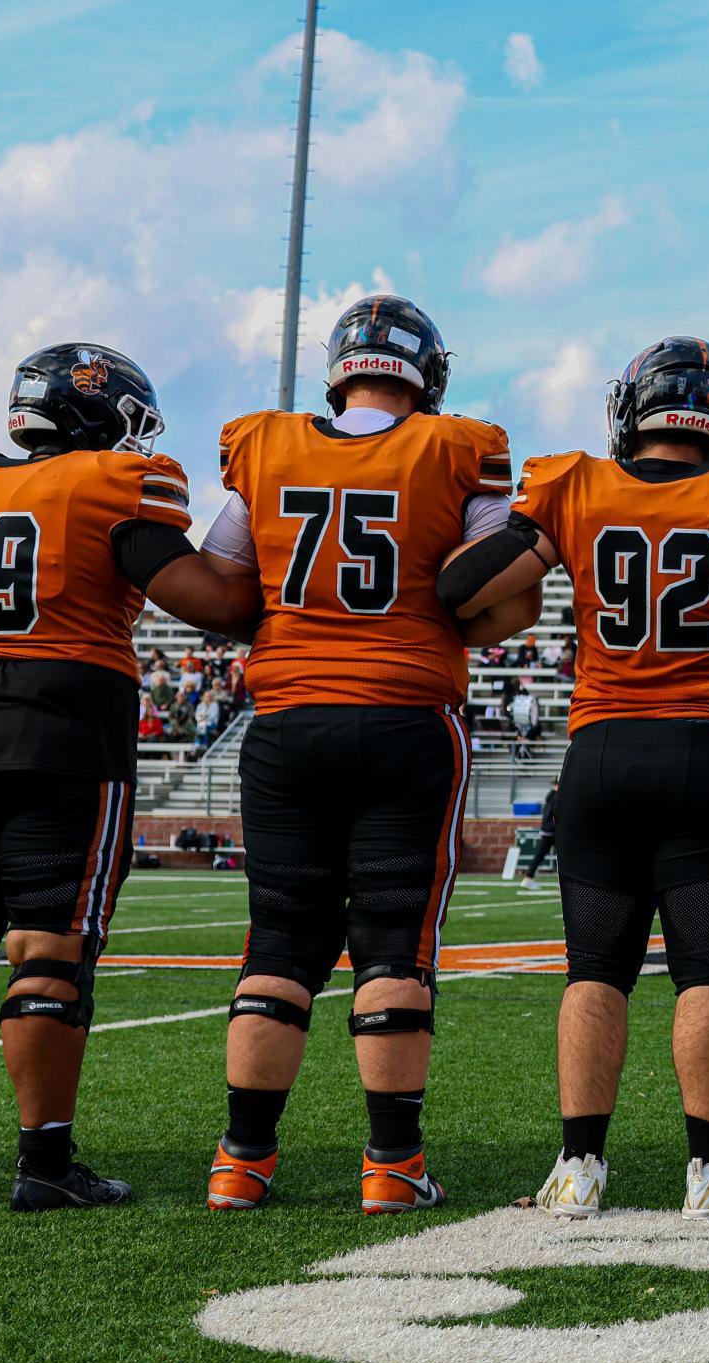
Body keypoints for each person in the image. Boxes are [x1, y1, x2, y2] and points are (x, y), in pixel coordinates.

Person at [445, 336, 709, 1222]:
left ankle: (580, 1166)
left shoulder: (574, 484)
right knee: (707, 973)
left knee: (594, 970)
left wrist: (513, 587)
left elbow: (462, 586)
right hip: (706, 749)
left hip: (603, 748)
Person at [200, 297, 517, 1215]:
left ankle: (243, 1161)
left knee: (280, 940)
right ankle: (391, 1163)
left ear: (340, 365)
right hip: (405, 716)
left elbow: (225, 574)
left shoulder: (267, 445)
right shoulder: (459, 446)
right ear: (427, 373)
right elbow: (499, 577)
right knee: (394, 944)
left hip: (289, 717)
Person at [0, 345, 258, 1209]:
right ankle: (43, 1163)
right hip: (67, 722)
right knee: (50, 950)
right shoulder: (113, 483)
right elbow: (213, 603)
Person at [517, 781, 560, 892]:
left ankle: (528, 877)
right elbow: (557, 814)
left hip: (546, 830)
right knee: (563, 857)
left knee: (540, 855)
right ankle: (562, 882)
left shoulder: (551, 795)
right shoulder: (557, 797)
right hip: (553, 831)